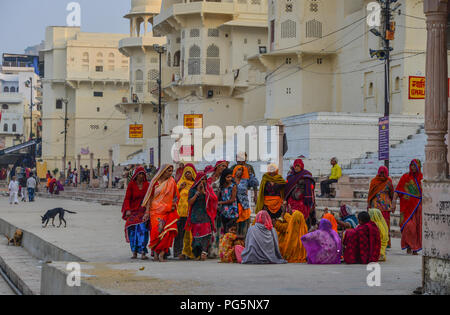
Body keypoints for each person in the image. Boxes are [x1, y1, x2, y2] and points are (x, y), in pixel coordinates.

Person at [142, 164, 180, 262]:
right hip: (155, 211)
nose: (170, 173)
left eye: (171, 171)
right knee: (156, 232)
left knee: (167, 232)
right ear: (163, 171)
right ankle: (155, 254)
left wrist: (173, 204)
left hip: (168, 210)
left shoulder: (172, 182)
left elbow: (176, 196)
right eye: (168, 170)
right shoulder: (155, 182)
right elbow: (149, 198)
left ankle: (162, 254)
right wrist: (147, 211)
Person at [391, 159, 423, 255]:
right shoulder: (405, 177)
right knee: (408, 227)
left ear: (418, 167)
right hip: (405, 209)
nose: (413, 167)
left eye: (415, 165)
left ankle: (414, 248)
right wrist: (393, 203)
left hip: (417, 208)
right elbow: (397, 191)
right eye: (412, 165)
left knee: (416, 228)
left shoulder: (422, 178)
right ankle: (409, 245)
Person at [186, 172, 218, 261]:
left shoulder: (208, 189)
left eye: (204, 179)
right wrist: (197, 193)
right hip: (195, 216)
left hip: (205, 216)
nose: (203, 181)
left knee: (206, 235)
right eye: (201, 179)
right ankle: (197, 253)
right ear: (197, 180)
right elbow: (189, 202)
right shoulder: (192, 190)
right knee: (196, 237)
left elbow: (214, 199)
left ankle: (204, 252)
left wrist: (204, 193)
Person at [121, 167, 150, 260]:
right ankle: (134, 251)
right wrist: (128, 209)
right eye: (139, 174)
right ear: (136, 175)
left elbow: (149, 198)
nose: (141, 176)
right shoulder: (131, 185)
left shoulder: (147, 185)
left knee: (143, 230)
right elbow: (127, 198)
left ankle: (143, 252)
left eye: (143, 174)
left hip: (143, 211)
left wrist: (147, 211)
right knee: (132, 230)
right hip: (133, 211)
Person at [284, 159, 316, 228]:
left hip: (302, 201)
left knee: (300, 218)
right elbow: (287, 188)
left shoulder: (306, 175)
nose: (296, 168)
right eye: (295, 166)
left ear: (301, 166)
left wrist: (309, 202)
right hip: (292, 201)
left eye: (298, 166)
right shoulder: (291, 176)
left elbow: (309, 189)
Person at [174, 164, 197, 260]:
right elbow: (174, 195)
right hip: (180, 213)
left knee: (189, 233)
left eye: (190, 173)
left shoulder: (195, 184)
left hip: (191, 212)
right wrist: (179, 188)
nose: (188, 174)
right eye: (186, 172)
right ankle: (178, 252)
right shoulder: (180, 183)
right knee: (179, 233)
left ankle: (188, 251)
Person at [206, 160, 229, 257]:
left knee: (219, 228)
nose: (223, 168)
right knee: (210, 228)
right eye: (222, 166)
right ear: (217, 167)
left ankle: (217, 251)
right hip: (209, 204)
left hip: (219, 206)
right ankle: (208, 250)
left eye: (225, 166)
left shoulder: (224, 179)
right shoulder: (209, 177)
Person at [368, 166, 394, 247]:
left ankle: (386, 242)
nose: (382, 175)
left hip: (385, 206)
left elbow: (391, 192)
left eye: (384, 173)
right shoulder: (374, 181)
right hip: (375, 206)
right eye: (381, 173)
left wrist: (392, 203)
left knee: (386, 224)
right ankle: (376, 241)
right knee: (376, 224)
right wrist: (368, 204)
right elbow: (370, 193)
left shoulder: (389, 181)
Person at [233, 164, 259, 236]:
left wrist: (250, 173)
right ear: (235, 170)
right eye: (238, 169)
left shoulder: (245, 180)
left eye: (241, 170)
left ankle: (243, 245)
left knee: (244, 229)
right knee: (234, 230)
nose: (240, 172)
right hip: (233, 207)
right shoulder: (231, 180)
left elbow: (256, 183)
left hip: (244, 206)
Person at [218, 168, 239, 234]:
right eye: (228, 177)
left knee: (231, 230)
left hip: (232, 211)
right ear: (224, 177)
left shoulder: (233, 186)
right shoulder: (222, 186)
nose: (230, 178)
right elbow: (220, 196)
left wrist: (221, 202)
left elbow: (232, 200)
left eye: (230, 176)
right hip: (224, 211)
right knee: (225, 230)